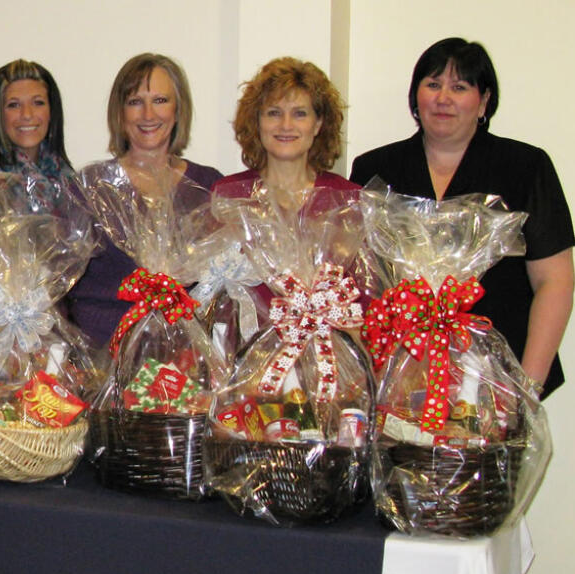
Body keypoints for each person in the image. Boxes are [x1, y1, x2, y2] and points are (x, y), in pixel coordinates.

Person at [349, 37, 574, 399]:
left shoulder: (525, 167)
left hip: (498, 377)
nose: (443, 98)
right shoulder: (375, 169)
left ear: (484, 101)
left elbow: (555, 282)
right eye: (433, 84)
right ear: (415, 96)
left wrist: (525, 388)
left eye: (460, 87)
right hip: (399, 378)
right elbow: (360, 280)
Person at [64, 53, 222, 346]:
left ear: (178, 109)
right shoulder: (91, 186)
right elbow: (61, 280)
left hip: (183, 361)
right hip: (102, 355)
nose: (148, 115)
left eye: (160, 100)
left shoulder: (207, 186)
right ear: (120, 113)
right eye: (135, 102)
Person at [213, 57, 358, 204]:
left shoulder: (348, 199)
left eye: (299, 114)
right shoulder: (228, 195)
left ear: (318, 124)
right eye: (274, 113)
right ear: (257, 121)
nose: (286, 125)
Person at [0, 59, 72, 184]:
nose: (27, 114)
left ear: (52, 111)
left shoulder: (71, 185)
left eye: (38, 103)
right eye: (14, 105)